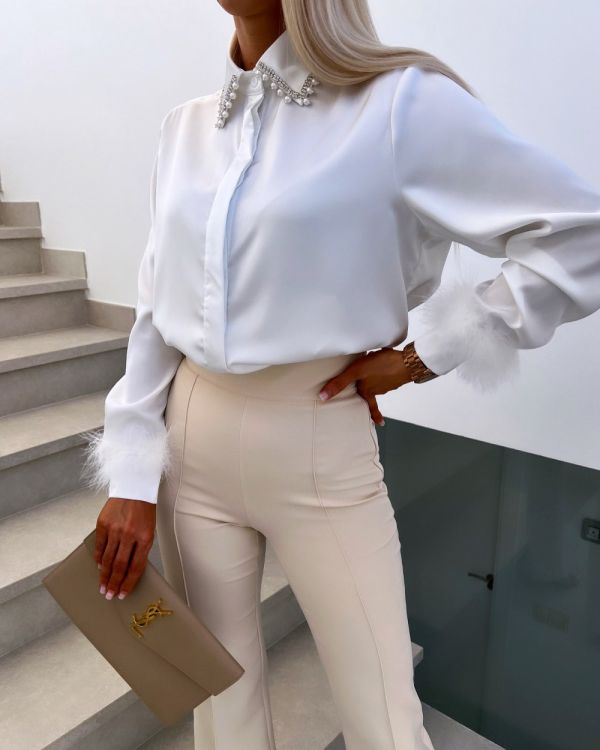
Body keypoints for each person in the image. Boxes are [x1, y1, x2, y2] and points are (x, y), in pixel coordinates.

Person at [81, 1, 600, 748]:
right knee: (220, 704)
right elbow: (157, 307)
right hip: (190, 437)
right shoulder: (186, 127)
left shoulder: (399, 106)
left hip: (318, 437)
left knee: (385, 717)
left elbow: (577, 236)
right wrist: (131, 471)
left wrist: (428, 353)